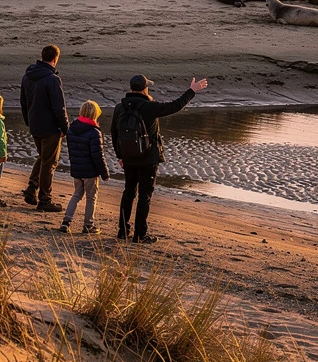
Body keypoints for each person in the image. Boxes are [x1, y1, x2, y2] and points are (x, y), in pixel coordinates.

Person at [111, 74, 207, 244]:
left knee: (128, 193)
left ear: (131, 88)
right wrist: (192, 91)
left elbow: (114, 133)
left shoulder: (120, 107)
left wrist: (120, 156)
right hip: (148, 159)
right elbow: (175, 106)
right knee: (144, 196)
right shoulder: (149, 106)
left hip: (128, 158)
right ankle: (140, 234)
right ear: (144, 88)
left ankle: (122, 231)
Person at [19, 44, 69, 212]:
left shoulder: (28, 76)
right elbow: (58, 107)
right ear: (55, 59)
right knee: (49, 162)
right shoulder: (52, 79)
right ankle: (45, 199)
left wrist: (29, 121)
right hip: (50, 127)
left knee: (44, 157)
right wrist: (65, 127)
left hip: (35, 124)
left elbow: (23, 103)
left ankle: (32, 188)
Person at [59, 100, 111, 235]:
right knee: (91, 197)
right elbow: (98, 156)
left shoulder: (72, 129)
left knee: (76, 194)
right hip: (90, 171)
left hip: (77, 169)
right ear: (95, 114)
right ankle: (88, 224)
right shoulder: (94, 132)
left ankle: (66, 221)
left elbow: (71, 151)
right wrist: (104, 173)